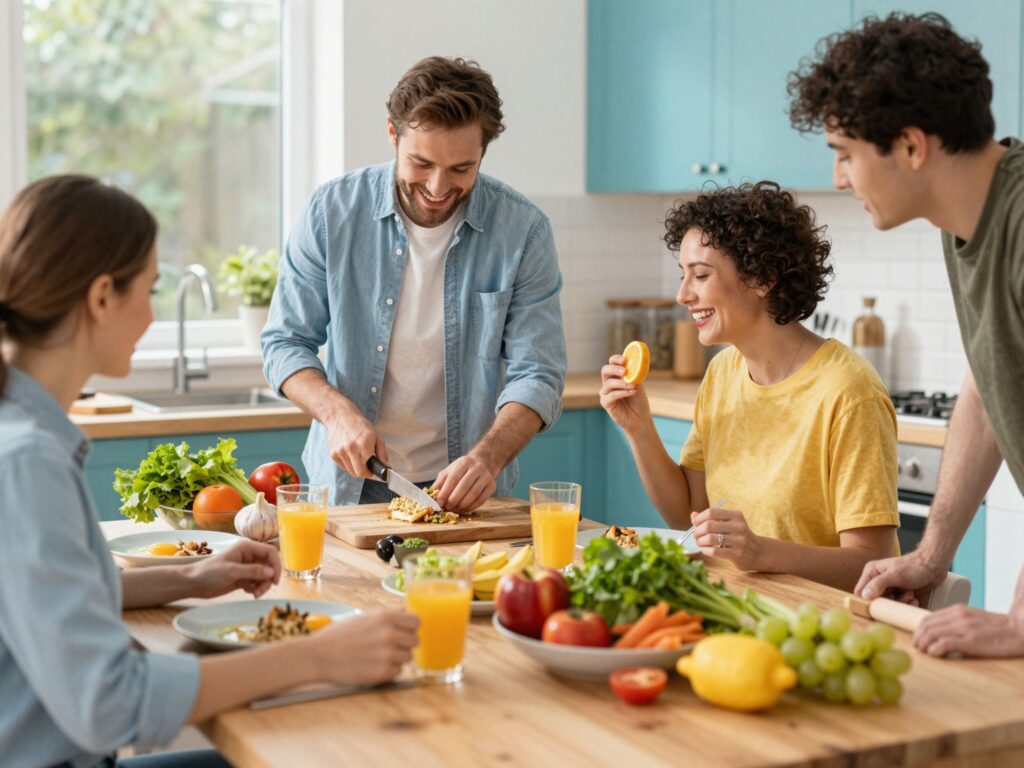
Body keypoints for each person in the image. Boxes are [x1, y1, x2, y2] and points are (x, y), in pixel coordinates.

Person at [0, 175, 419, 768]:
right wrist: (319, 657)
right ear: (99, 298)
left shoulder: (21, 432)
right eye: (149, 288)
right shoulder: (26, 463)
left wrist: (188, 579)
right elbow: (110, 704)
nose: (150, 314)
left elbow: (44, 604)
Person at [789, 11, 1024, 657]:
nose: (840, 177)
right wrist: (932, 555)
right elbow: (988, 383)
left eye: (845, 154)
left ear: (912, 147)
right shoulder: (969, 223)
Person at [261, 56, 567, 512]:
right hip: (347, 488)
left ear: (483, 152)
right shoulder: (332, 213)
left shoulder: (523, 232)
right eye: (421, 163)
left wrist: (488, 457)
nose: (439, 187)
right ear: (392, 133)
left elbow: (538, 373)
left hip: (468, 490)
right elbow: (284, 343)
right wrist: (338, 414)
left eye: (462, 169)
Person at [600, 181, 898, 592]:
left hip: (817, 623)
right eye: (683, 275)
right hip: (735, 602)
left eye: (700, 275)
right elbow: (687, 511)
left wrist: (760, 552)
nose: (683, 294)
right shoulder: (723, 372)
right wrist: (638, 427)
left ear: (762, 278)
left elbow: (873, 564)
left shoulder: (848, 392)